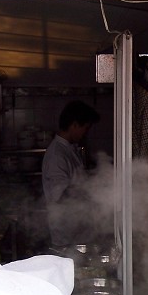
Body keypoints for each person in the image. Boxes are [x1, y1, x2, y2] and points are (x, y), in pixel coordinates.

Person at [42, 100, 101, 247]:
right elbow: (60, 195)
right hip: (67, 236)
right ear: (74, 124)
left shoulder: (69, 149)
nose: (85, 133)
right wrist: (93, 189)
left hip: (78, 231)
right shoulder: (57, 155)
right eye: (85, 128)